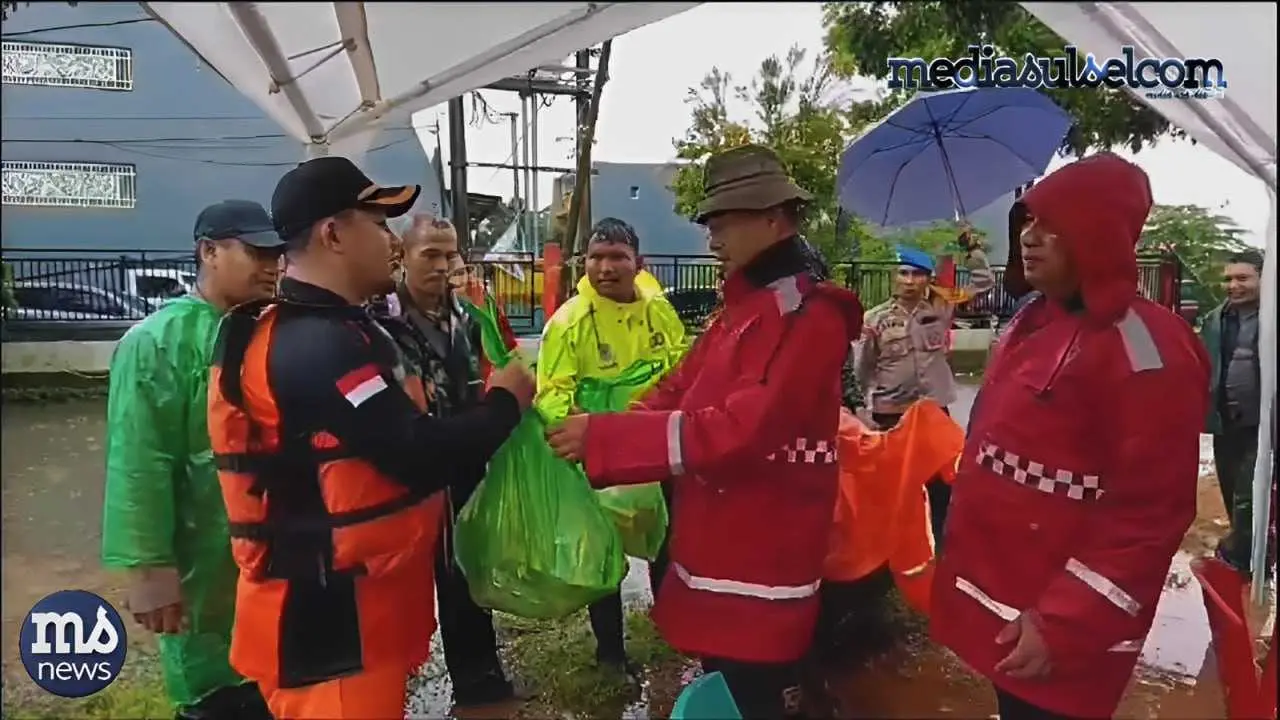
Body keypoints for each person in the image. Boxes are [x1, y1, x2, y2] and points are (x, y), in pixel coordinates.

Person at [205, 156, 536, 720]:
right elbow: (417, 454)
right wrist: (506, 401)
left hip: (355, 615)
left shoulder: (341, 329)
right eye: (379, 223)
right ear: (334, 233)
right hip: (325, 633)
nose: (390, 240)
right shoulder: (313, 345)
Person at [545, 145, 863, 718]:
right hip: (726, 535)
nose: (712, 238)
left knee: (755, 691)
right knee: (725, 680)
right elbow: (681, 386)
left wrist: (608, 439)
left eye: (724, 222)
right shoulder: (747, 308)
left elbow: (745, 428)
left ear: (774, 218)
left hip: (764, 550)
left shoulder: (807, 316)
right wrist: (601, 432)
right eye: (709, 222)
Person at [930, 154, 1209, 720]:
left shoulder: (1148, 351)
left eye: (1052, 227)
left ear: (1097, 234)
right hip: (1010, 614)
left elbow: (1148, 515)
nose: (1030, 239)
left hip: (1062, 635)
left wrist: (1063, 623)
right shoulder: (1033, 319)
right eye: (1027, 223)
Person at [102, 200, 284, 720]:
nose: (272, 264)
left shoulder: (273, 329)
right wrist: (150, 567)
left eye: (276, 252)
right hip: (203, 556)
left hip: (273, 552)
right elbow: (139, 461)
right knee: (216, 688)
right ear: (209, 252)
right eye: (256, 251)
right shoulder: (156, 342)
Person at [381, 213, 527, 707]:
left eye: (451, 255)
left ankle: (479, 678)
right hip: (409, 474)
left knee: (466, 571)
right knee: (399, 590)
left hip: (465, 463)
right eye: (431, 255)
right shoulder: (379, 320)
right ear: (403, 256)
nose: (444, 266)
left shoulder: (467, 315)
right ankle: (386, 690)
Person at [534, 217, 688, 677]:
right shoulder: (570, 323)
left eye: (617, 257)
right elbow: (552, 394)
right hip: (599, 453)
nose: (605, 267)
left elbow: (681, 369)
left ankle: (672, 626)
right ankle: (611, 654)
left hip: (658, 446)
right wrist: (584, 429)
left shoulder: (659, 310)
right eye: (596, 257)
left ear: (638, 262)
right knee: (602, 552)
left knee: (669, 538)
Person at [854, 236, 994, 543]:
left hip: (933, 410)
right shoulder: (875, 319)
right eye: (903, 273)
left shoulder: (941, 305)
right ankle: (893, 543)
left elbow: (984, 282)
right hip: (891, 412)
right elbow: (863, 369)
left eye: (917, 274)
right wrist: (864, 410)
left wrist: (973, 249)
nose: (909, 280)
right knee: (893, 481)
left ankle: (941, 540)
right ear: (895, 277)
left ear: (927, 278)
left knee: (941, 477)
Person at [1200, 250, 1264, 575]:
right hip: (1225, 423)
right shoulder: (1215, 319)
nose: (1233, 285)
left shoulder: (1272, 316)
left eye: (1243, 278)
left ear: (1264, 279)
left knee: (1249, 495)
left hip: (1263, 427)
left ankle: (1247, 560)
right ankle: (1246, 549)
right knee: (1230, 488)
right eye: (1228, 279)